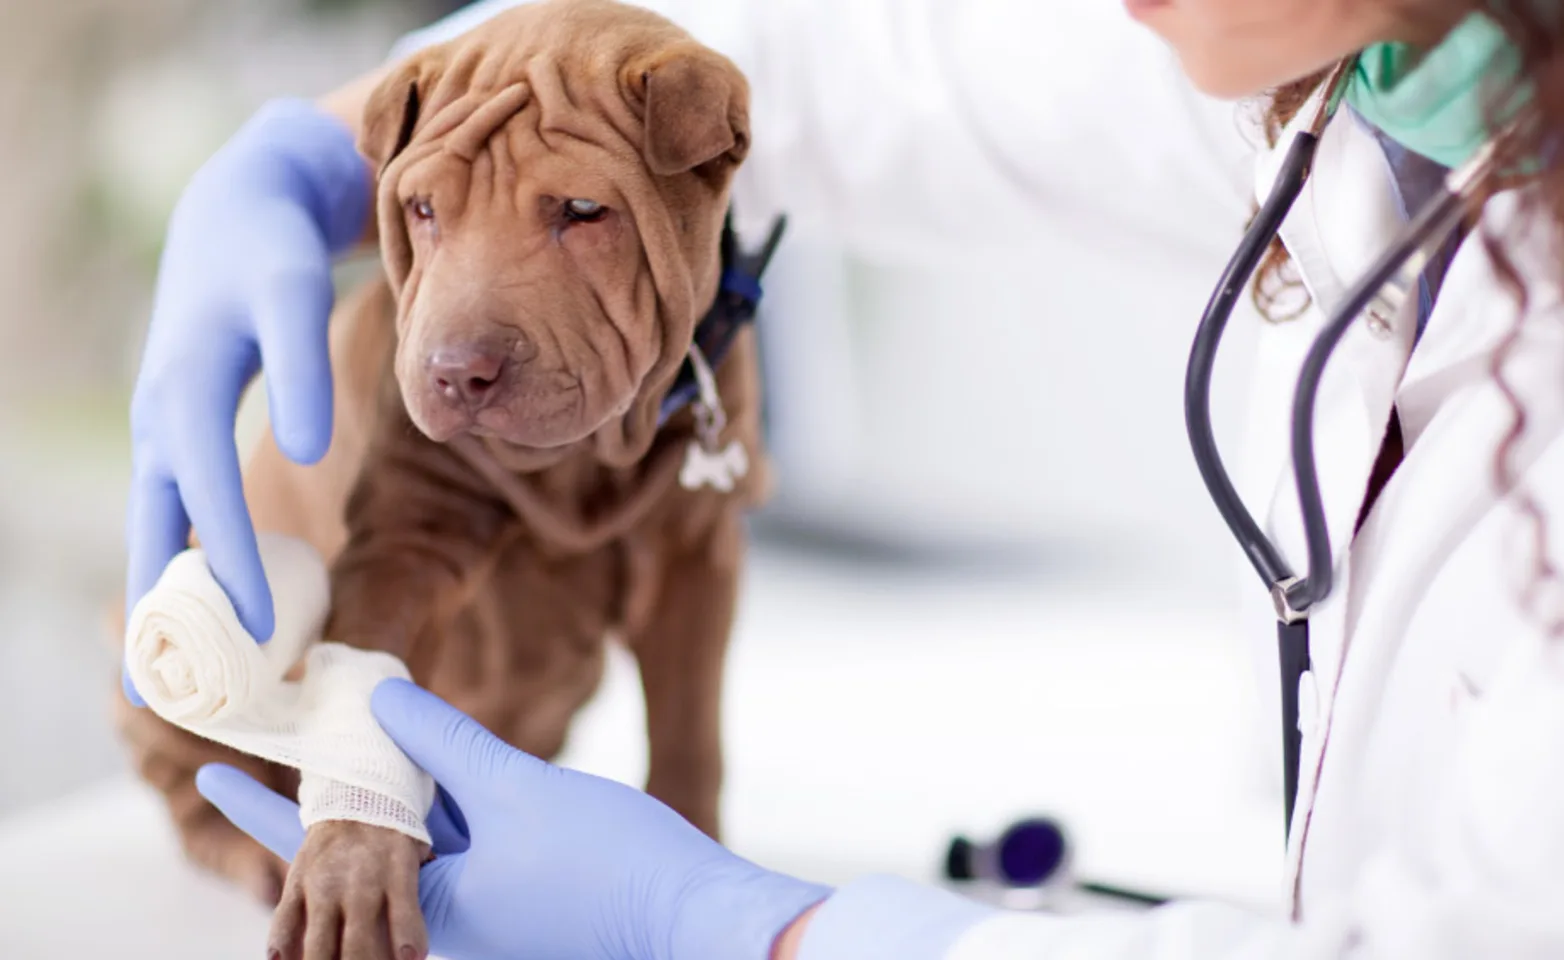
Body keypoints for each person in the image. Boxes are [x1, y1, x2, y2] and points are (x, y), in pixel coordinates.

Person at [127, 0, 1564, 956]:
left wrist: (745, 920)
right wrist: (317, 147)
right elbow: (836, 61)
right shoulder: (1370, 74)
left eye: (574, 217)